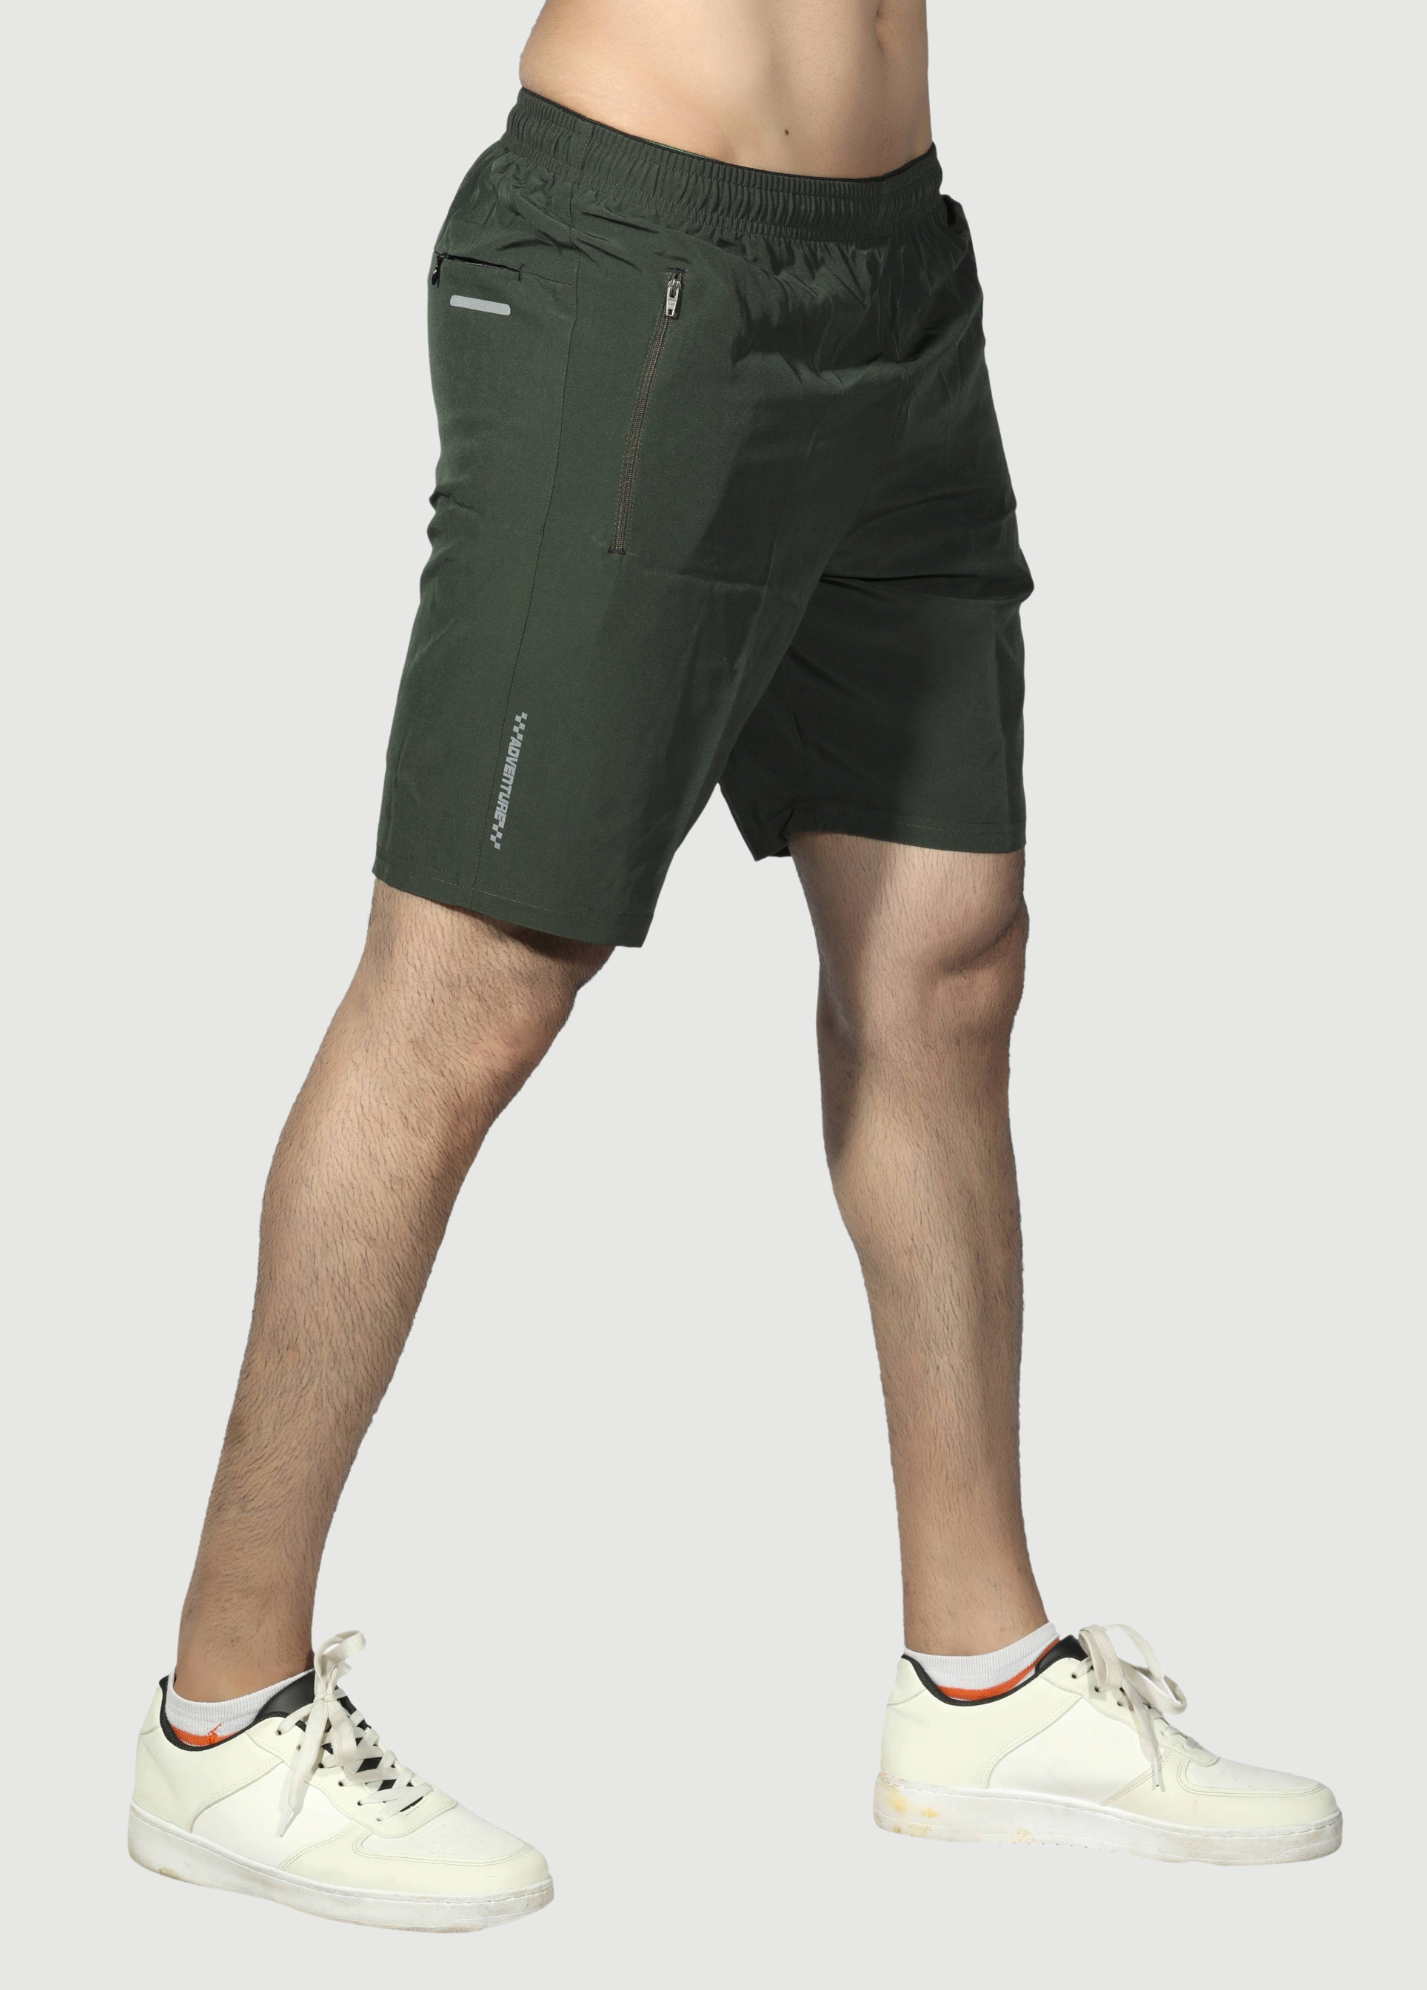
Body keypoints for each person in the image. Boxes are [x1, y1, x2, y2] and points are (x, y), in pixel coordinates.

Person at [128, 0, 1340, 1933]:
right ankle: (223, 1714)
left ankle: (980, 1684)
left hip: (893, 275)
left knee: (947, 952)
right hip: (642, 262)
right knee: (474, 977)